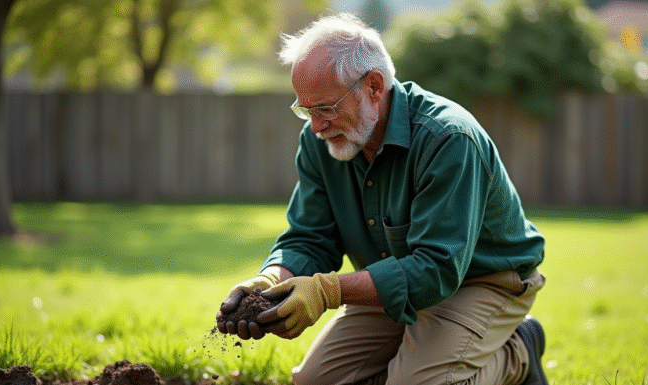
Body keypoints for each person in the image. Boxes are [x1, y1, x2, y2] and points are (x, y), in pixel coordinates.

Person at [217, 13, 548, 385]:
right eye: (306, 110)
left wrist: (328, 291)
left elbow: (437, 269)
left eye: (325, 108)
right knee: (314, 382)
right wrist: (268, 281)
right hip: (388, 279)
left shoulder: (448, 139)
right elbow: (310, 237)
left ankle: (518, 353)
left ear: (374, 85)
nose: (316, 125)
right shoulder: (320, 142)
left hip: (478, 280)